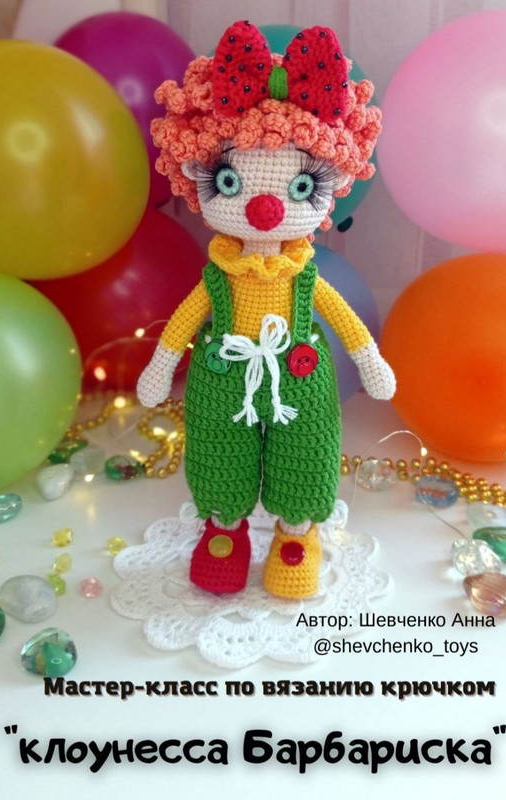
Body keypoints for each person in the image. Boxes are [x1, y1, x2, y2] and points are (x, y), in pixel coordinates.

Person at [138, 20, 395, 599]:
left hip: (299, 375)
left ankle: (296, 536)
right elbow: (185, 319)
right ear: (197, 173)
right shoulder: (219, 275)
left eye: (300, 187)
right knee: (217, 455)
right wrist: (161, 363)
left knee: (306, 454)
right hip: (223, 374)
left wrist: (369, 358)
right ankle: (223, 531)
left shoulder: (304, 275)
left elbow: (342, 318)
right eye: (230, 181)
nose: (264, 209)